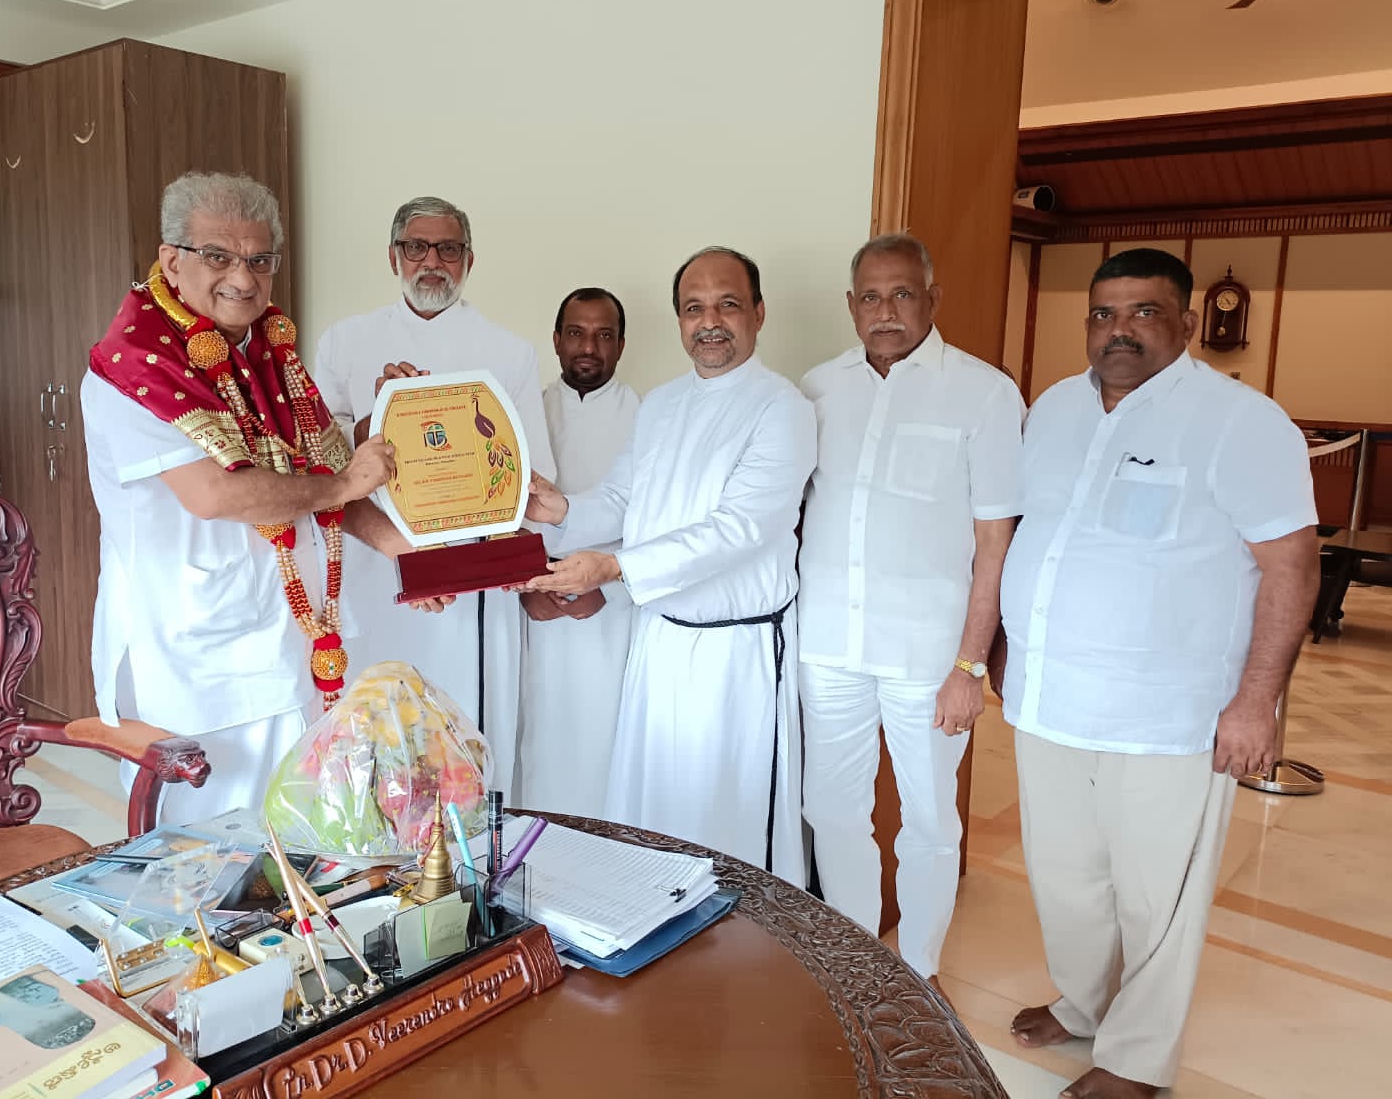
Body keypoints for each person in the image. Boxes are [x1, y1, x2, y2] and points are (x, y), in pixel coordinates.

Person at [1002, 248, 1318, 1099]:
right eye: (1103, 313)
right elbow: (1032, 533)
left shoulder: (1239, 422)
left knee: (1155, 900)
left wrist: (1256, 701)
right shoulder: (1052, 408)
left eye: (1143, 312)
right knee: (1066, 880)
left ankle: (1136, 1057)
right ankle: (1083, 1003)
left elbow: (1291, 565)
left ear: (1185, 321)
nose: (1119, 331)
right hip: (1048, 699)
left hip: (1168, 714)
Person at [82, 172, 443, 822]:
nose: (242, 279)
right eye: (217, 256)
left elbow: (325, 476)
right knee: (211, 854)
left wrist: (410, 554)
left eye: (259, 260)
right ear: (171, 260)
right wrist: (346, 482)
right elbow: (215, 494)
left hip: (293, 638)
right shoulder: (132, 367)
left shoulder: (269, 354)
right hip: (199, 657)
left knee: (302, 832)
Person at [522, 247, 815, 882]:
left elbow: (737, 530)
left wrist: (613, 567)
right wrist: (561, 509)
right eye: (694, 308)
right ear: (679, 319)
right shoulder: (661, 404)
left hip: (733, 656)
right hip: (658, 642)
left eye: (727, 305)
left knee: (727, 830)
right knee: (653, 820)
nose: (710, 322)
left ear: (758, 313)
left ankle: (739, 942)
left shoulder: (782, 408)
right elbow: (624, 498)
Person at [798, 233, 1023, 992]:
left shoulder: (984, 393)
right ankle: (856, 963)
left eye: (901, 294)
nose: (885, 310)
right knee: (831, 809)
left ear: (932, 299)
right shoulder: (817, 388)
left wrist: (970, 666)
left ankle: (918, 974)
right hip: (828, 642)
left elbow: (995, 541)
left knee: (927, 820)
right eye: (870, 296)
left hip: (928, 655)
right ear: (851, 305)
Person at [312, 196, 556, 798]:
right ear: (393, 256)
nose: (432, 262)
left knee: (467, 736)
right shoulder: (344, 342)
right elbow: (316, 463)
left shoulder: (509, 351)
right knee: (375, 733)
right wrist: (378, 417)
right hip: (376, 566)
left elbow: (532, 475)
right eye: (416, 247)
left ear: (469, 260)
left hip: (469, 582)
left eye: (448, 249)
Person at [518, 288, 641, 817]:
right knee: (537, 739)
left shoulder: (648, 416)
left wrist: (610, 589)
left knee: (606, 744)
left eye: (603, 335)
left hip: (613, 613)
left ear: (621, 344)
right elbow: (504, 512)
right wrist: (526, 589)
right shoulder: (526, 413)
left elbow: (656, 521)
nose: (588, 347)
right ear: (556, 340)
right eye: (576, 333)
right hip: (535, 608)